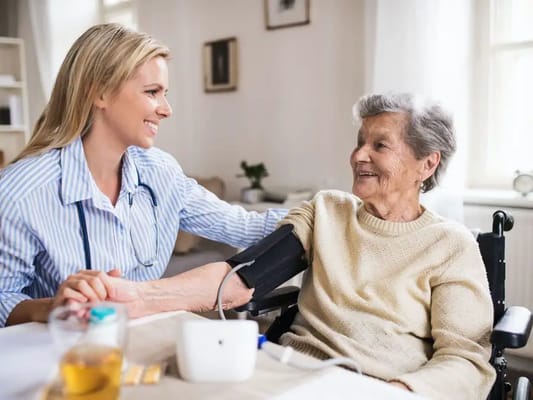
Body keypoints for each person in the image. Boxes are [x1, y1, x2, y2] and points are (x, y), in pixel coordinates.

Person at [0, 23, 286, 328]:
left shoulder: (160, 172)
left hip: (142, 345)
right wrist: (52, 307)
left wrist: (333, 211)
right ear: (99, 93)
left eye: (165, 94)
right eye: (152, 92)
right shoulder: (20, 192)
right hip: (65, 359)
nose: (166, 109)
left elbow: (245, 227)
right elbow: (3, 296)